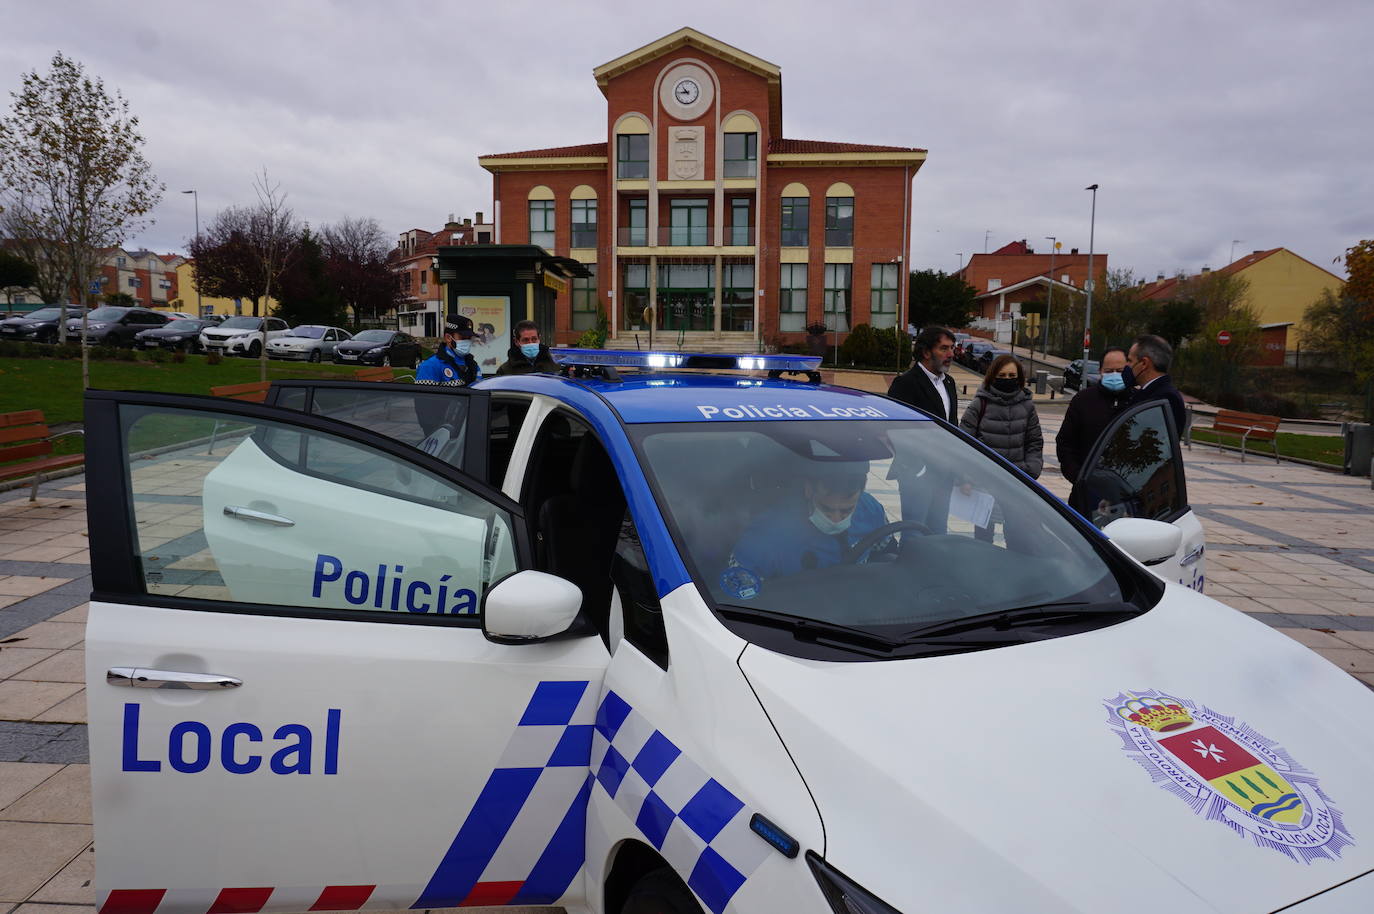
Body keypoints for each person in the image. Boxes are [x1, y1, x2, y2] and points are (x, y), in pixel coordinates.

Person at [728, 462, 887, 582]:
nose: (837, 520)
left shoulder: (871, 510)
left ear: (860, 494)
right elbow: (739, 590)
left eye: (847, 510)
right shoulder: (764, 535)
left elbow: (886, 552)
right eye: (827, 509)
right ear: (808, 490)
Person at [960, 355, 1043, 542]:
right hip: (984, 483)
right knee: (983, 539)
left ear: (1019, 377)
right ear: (992, 376)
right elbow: (964, 443)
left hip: (1017, 481)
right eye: (1002, 375)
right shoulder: (980, 404)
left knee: (1017, 536)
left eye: (1012, 375)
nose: (1007, 379)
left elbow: (1035, 442)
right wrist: (966, 478)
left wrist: (1031, 470)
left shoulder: (1027, 406)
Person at [1055, 346, 1129, 482]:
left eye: (1120, 371)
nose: (1114, 375)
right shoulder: (1082, 400)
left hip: (1126, 490)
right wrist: (1078, 478)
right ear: (1100, 371)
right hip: (1086, 488)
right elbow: (1065, 443)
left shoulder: (1137, 401)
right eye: (1109, 371)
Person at [887, 326, 958, 422]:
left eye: (952, 348)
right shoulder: (906, 383)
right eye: (944, 348)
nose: (951, 354)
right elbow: (896, 424)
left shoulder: (949, 382)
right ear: (926, 353)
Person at [1125, 334, 1188, 432]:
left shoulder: (1165, 398)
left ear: (1144, 363)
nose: (1126, 365)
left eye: (1129, 360)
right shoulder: (1150, 392)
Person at [416, 313, 481, 387]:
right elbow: (424, 397)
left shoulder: (472, 364)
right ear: (448, 338)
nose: (467, 341)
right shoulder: (430, 366)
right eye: (463, 338)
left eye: (469, 338)